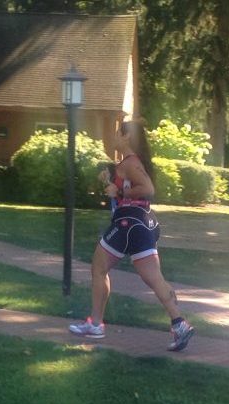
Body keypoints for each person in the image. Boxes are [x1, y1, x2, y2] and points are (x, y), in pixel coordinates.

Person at [69, 120, 195, 352]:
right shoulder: (129, 163)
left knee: (98, 268)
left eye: (118, 132)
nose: (114, 136)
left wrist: (118, 190)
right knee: (154, 278)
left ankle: (96, 324)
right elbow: (129, 191)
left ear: (126, 136)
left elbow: (148, 189)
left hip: (129, 224)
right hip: (142, 224)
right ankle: (180, 324)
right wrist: (111, 183)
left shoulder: (131, 162)